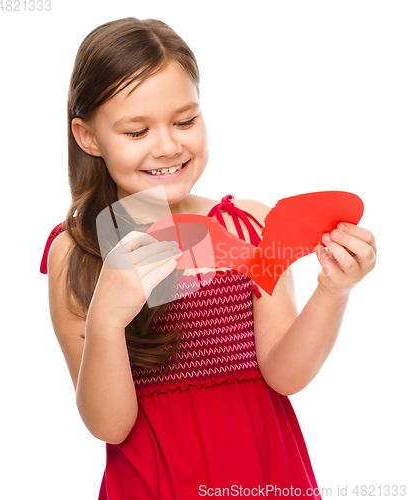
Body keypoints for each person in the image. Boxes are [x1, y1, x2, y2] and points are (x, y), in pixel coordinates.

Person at [40, 17, 377, 500]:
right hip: (153, 479)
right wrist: (107, 321)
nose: (168, 145)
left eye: (185, 120)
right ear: (88, 136)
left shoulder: (250, 225)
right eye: (137, 131)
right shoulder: (78, 251)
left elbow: (284, 374)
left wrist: (334, 290)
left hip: (263, 470)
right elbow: (109, 426)